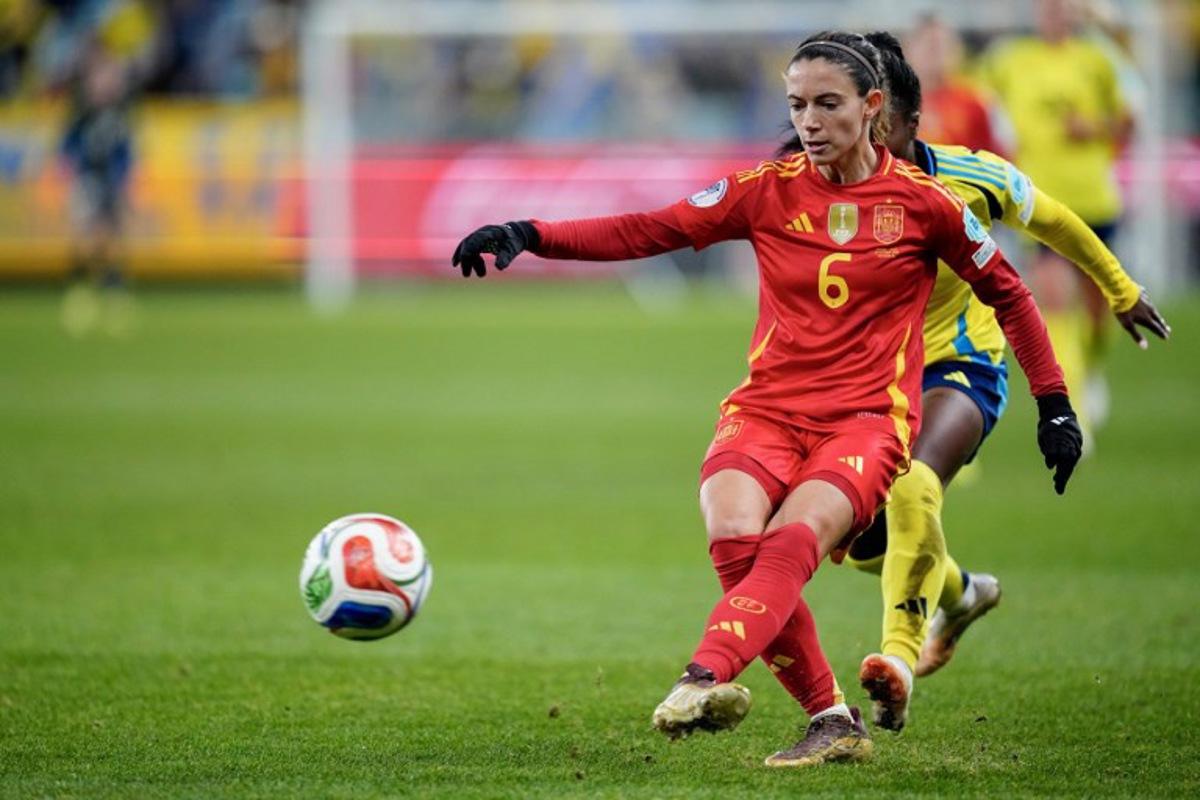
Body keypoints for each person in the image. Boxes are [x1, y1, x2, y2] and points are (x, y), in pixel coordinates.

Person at [452, 31, 1082, 768]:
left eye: (827, 104)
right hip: (764, 411)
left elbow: (1010, 293)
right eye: (797, 105)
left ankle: (702, 674)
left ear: (873, 106)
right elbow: (650, 229)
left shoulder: (926, 205)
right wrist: (530, 233)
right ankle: (833, 719)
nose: (809, 122)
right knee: (732, 539)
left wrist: (1055, 405)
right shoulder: (766, 189)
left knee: (793, 541)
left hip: (866, 422)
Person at [806, 31, 1170, 734]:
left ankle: (897, 661)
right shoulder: (823, 185)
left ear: (909, 120)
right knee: (856, 542)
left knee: (913, 482)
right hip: (872, 382)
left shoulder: (972, 179)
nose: (861, 137)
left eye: (876, 123)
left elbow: (1059, 224)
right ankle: (962, 593)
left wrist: (1121, 292)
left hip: (961, 368)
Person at [984, 0, 1136, 440]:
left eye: (1062, 7)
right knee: (1052, 299)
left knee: (1096, 308)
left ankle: (1090, 369)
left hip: (1094, 198)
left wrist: (1097, 130)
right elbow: (977, 96)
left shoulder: (1097, 59)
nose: (1054, 13)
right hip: (1039, 204)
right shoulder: (1012, 60)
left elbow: (1127, 119)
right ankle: (1075, 411)